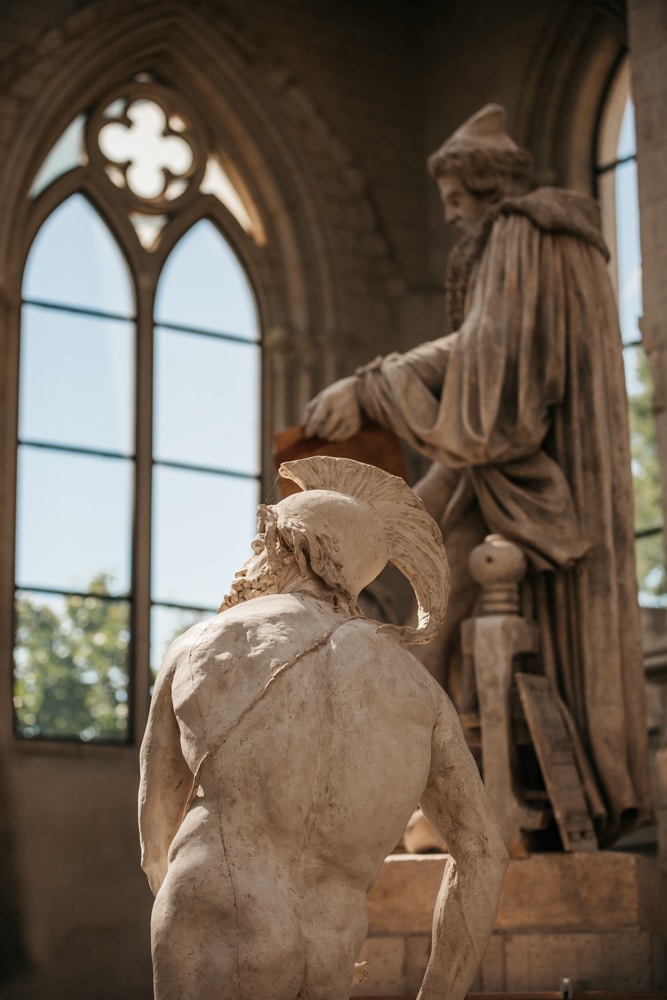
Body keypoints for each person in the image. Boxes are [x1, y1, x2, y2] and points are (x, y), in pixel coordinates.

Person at [303, 104, 652, 846]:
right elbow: (482, 343)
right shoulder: (528, 239)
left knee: (434, 599)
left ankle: (465, 802)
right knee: (409, 561)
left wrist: (370, 387)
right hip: (497, 469)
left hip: (521, 473)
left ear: (487, 185)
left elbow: (495, 357)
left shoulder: (523, 233)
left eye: (457, 196)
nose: (450, 212)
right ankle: (445, 794)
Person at [139, 456, 508, 1000]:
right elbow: (484, 853)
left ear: (287, 546)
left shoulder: (203, 644)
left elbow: (155, 841)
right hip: (330, 952)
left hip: (213, 923)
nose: (249, 560)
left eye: (259, 544)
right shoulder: (421, 694)